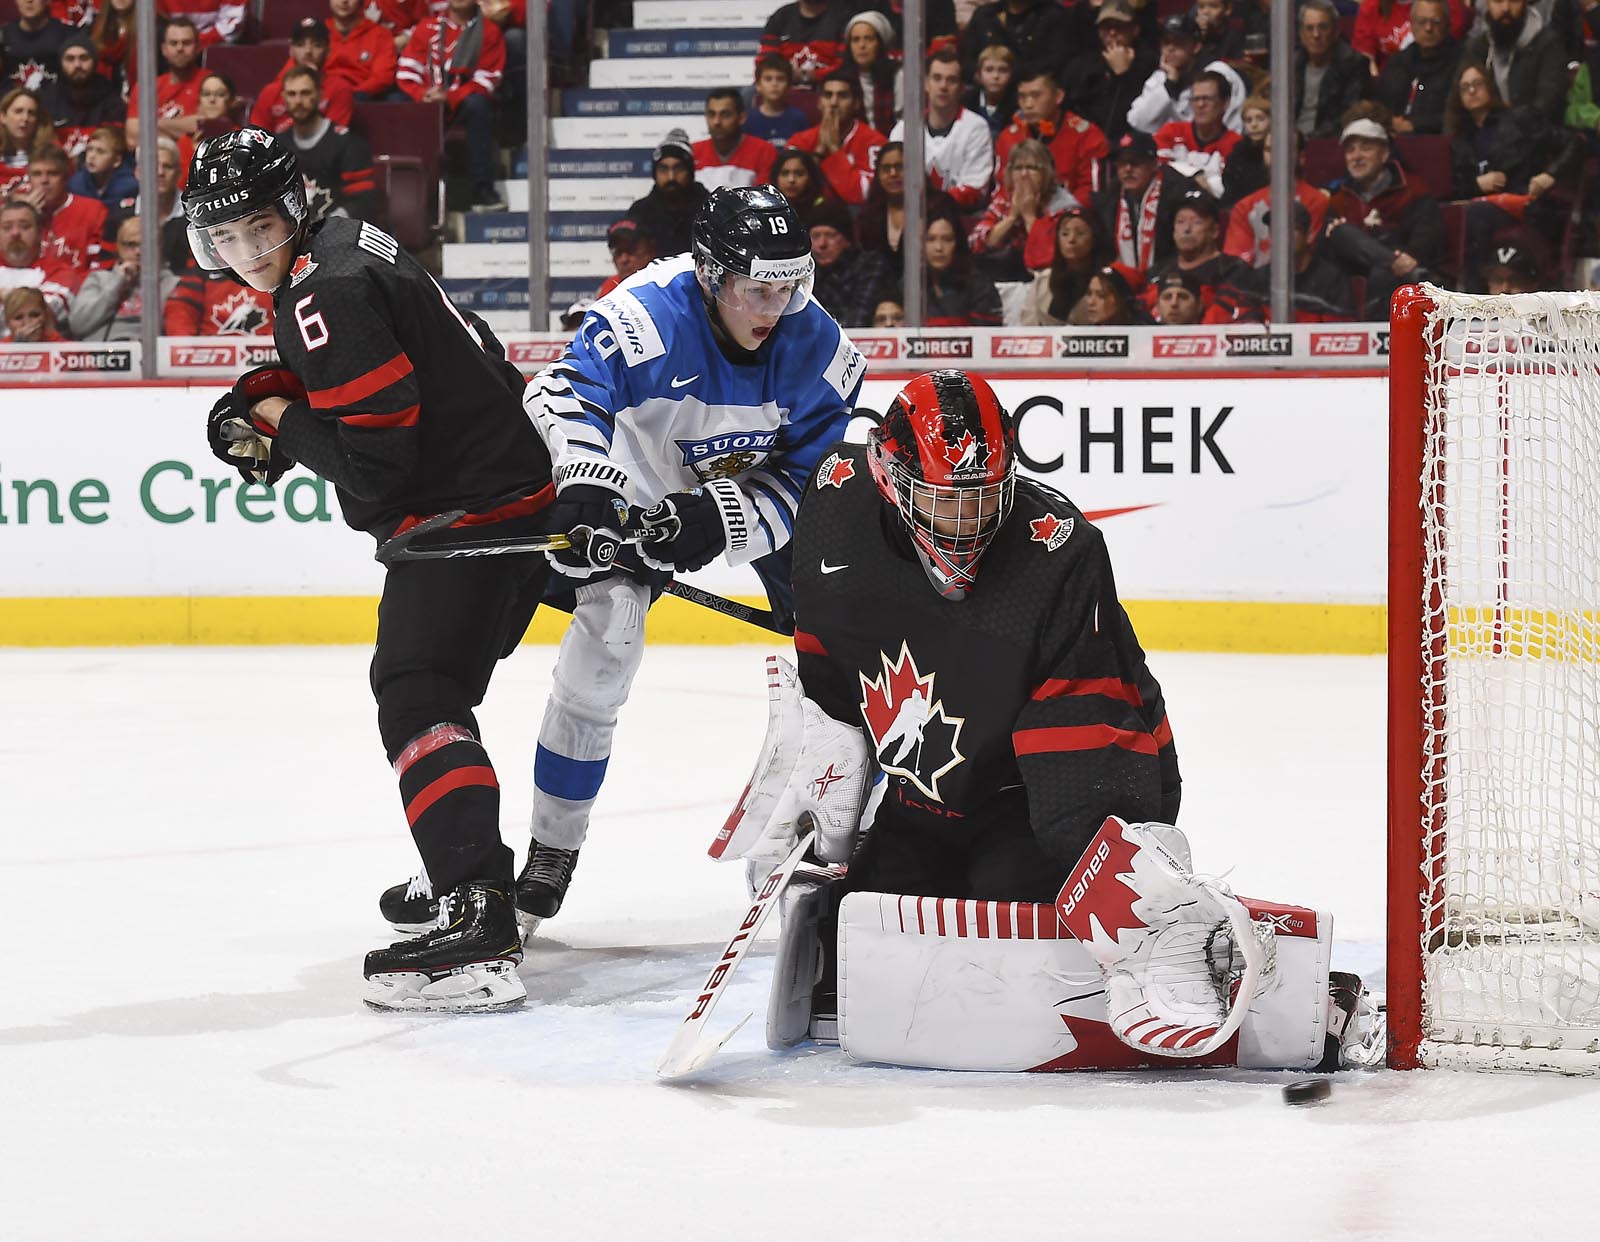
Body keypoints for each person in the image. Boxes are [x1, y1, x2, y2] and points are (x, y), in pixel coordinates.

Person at [713, 370, 1332, 1069]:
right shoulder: (834, 502)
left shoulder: (1056, 553)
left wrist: (1125, 897)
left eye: (983, 499)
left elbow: (1086, 750)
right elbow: (828, 671)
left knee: (1012, 900)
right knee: (869, 917)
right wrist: (814, 774)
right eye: (944, 501)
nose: (967, 523)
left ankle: (1179, 924)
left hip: (1050, 795)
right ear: (888, 478)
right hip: (930, 801)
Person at [184, 126, 557, 1013]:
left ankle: (476, 911)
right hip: (508, 501)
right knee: (432, 694)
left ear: (296, 204)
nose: (245, 255)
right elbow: (469, 354)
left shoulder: (327, 289)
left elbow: (373, 473)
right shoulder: (349, 244)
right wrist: (283, 393)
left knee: (416, 691)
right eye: (225, 238)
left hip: (471, 522)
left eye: (259, 230)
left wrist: (275, 414)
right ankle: (467, 870)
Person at [499, 185, 864, 934]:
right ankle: (551, 850)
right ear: (708, 275)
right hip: (634, 476)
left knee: (848, 631)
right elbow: (561, 394)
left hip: (745, 486)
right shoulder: (644, 318)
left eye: (789, 284)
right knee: (608, 641)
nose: (774, 306)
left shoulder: (819, 348)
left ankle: (842, 823)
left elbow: (813, 479)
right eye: (757, 288)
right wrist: (586, 481)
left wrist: (724, 518)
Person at [1445, 61, 1578, 289]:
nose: (1472, 91)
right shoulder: (1459, 139)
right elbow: (1453, 186)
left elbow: (1575, 143)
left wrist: (1550, 175)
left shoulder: (1520, 120)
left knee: (1475, 214)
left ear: (1490, 87)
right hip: (1481, 205)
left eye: (1477, 84)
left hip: (1524, 203)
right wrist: (1477, 184)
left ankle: (1474, 292)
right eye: (1465, 87)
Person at [1323, 114, 1442, 318]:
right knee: (1340, 232)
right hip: (1356, 272)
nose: (1356, 156)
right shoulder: (1338, 198)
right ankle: (1388, 261)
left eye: (1365, 148)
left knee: (1382, 272)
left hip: (1403, 275)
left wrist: (1393, 256)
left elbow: (1425, 240)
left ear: (1385, 153)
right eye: (1350, 150)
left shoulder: (1413, 190)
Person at [397, 0, 507, 210]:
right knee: (398, 102)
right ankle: (409, 195)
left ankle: (482, 188)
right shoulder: (426, 27)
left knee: (478, 105)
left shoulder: (490, 31)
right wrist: (422, 94)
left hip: (462, 106)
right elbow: (407, 72)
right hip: (427, 101)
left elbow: (487, 79)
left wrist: (450, 97)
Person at [888, 48, 994, 213]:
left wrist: (928, 205)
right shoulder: (904, 129)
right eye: (937, 78)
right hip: (912, 219)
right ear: (926, 84)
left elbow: (974, 191)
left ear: (961, 88)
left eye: (951, 80)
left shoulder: (976, 128)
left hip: (958, 220)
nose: (943, 86)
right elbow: (890, 183)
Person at [995, 64, 1108, 207]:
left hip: (1069, 221)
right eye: (1022, 97)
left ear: (1058, 96)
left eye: (1036, 96)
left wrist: (1049, 222)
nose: (1028, 105)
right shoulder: (1008, 137)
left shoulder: (1088, 137)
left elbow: (1091, 194)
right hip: (1018, 216)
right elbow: (1003, 189)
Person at [1092, 129, 1201, 276]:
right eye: (1122, 163)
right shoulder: (1113, 194)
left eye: (1135, 163)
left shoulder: (1177, 192)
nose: (1128, 169)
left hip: (1173, 276)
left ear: (1154, 164)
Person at [970, 137, 1076, 284]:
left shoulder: (1063, 206)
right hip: (1007, 279)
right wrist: (1011, 218)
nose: (1024, 174)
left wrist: (1029, 217)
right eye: (1018, 168)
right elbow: (975, 243)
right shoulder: (1006, 200)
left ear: (1046, 172)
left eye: (1031, 168)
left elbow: (1052, 256)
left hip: (1050, 281)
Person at [282, 66, 378, 222]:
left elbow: (363, 202)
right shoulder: (278, 145)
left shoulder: (348, 143)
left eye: (306, 93)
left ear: (320, 95)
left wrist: (324, 228)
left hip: (337, 235)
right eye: (292, 94)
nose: (298, 101)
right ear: (283, 97)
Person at [1062, 3, 1156, 150]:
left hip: (1130, 145)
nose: (1112, 33)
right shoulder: (1082, 65)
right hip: (1085, 143)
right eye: (1106, 28)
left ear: (1134, 30)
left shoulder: (1149, 64)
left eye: (1119, 27)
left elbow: (1140, 116)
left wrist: (1123, 75)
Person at [69, 213, 178, 340]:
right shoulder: (99, 280)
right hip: (100, 356)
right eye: (131, 245)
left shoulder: (172, 285)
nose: (138, 252)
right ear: (119, 248)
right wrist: (117, 284)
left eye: (145, 244)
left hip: (150, 356)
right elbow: (77, 325)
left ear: (159, 247)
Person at [788, 69, 887, 205]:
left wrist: (835, 150)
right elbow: (791, 192)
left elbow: (862, 196)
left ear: (856, 103)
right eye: (828, 95)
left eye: (842, 96)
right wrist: (819, 152)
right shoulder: (799, 141)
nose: (834, 103)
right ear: (819, 102)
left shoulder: (875, 143)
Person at [1459, 0, 1567, 122]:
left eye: (1514, 1)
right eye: (1498, 1)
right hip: (1486, 134)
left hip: (1535, 134)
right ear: (1487, 3)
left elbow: (1548, 104)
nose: (1506, 8)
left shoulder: (1548, 44)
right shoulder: (1476, 48)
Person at [251, 18, 356, 135]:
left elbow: (332, 139)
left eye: (317, 45)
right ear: (291, 50)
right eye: (300, 44)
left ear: (328, 51)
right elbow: (257, 139)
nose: (308, 51)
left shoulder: (340, 89)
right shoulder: (270, 92)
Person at [1153, 67, 1240, 199]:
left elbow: (1227, 192)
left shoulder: (1236, 144)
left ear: (1225, 103)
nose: (1200, 104)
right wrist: (1195, 176)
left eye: (1207, 99)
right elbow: (1157, 172)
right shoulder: (1170, 132)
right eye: (1195, 99)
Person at [36, 32, 122, 161]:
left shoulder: (111, 97)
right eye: (70, 59)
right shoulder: (47, 97)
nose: (77, 65)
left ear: (94, 62)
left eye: (84, 58)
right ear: (61, 63)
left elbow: (115, 143)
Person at [21, 142, 106, 272]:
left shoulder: (93, 210)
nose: (44, 180)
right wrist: (26, 218)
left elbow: (98, 268)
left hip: (76, 288)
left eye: (53, 173)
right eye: (37, 174)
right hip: (26, 288)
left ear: (66, 177)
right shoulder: (14, 215)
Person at [1021, 206, 1112, 325]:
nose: (1071, 239)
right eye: (1065, 234)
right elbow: (1028, 326)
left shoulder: (1106, 282)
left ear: (1094, 239)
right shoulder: (1044, 280)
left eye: (1080, 233)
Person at [806, 197, 888, 327]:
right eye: (815, 236)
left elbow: (858, 319)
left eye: (830, 235)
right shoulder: (805, 272)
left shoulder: (869, 265)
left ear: (847, 240)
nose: (822, 244)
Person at [627, 128, 710, 257]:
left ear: (690, 172)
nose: (671, 177)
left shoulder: (709, 209)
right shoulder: (640, 212)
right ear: (655, 174)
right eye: (663, 169)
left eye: (678, 168)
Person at [1294, 0, 1369, 139]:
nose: (1316, 35)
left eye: (1323, 27)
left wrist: (1310, 139)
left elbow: (1349, 116)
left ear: (1336, 31)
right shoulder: (1292, 65)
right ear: (1301, 34)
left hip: (1329, 144)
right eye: (1309, 28)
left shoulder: (1354, 64)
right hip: (1289, 143)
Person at [125, 14, 203, 147]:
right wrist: (182, 130)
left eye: (186, 43)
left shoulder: (210, 82)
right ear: (164, 49)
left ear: (197, 48)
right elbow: (132, 138)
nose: (180, 48)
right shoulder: (146, 87)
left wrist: (150, 125)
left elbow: (202, 127)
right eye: (174, 43)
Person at [0, 198, 82, 320]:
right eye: (7, 227)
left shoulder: (60, 271)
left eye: (25, 226)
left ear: (40, 233)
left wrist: (6, 296)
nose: (15, 233)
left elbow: (44, 312)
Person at [923, 208, 1002, 326]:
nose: (938, 248)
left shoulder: (979, 285)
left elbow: (987, 337)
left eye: (947, 240)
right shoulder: (908, 286)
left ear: (958, 243)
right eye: (930, 239)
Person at [958, 0, 1071, 80]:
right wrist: (982, 75)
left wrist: (1008, 74)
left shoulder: (1055, 17)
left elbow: (1055, 64)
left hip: (1032, 95)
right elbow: (966, 61)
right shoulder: (985, 15)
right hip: (985, 96)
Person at [692, 87, 777, 192]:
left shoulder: (764, 151)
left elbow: (764, 198)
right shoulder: (693, 152)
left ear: (741, 118)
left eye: (725, 115)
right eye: (711, 114)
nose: (716, 122)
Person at [758, 0, 852, 86]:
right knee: (750, 93)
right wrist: (784, 76)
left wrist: (808, 75)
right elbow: (765, 64)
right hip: (784, 87)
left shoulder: (844, 17)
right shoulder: (780, 17)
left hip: (827, 88)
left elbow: (844, 68)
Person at [840, 9, 899, 137]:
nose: (862, 45)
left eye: (868, 39)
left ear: (880, 43)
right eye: (855, 40)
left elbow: (903, 122)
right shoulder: (843, 78)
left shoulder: (897, 75)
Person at [325, 0, 400, 100]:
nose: (344, 1)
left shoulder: (380, 35)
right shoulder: (318, 33)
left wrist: (351, 94)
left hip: (362, 96)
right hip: (322, 96)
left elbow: (383, 76)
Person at [2, 0, 73, 93]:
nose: (29, 1)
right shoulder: (4, 35)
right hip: (12, 102)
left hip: (56, 101)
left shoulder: (66, 34)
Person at [746, 52, 810, 149]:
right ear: (758, 85)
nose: (774, 84)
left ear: (789, 86)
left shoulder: (799, 119)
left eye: (780, 79)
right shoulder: (748, 120)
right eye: (768, 79)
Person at [0, 86, 53, 193]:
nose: (25, 118)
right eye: (18, 111)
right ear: (3, 117)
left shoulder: (51, 155)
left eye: (31, 113)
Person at [595, 216, 657, 298]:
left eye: (631, 250)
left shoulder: (667, 285)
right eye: (618, 252)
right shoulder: (610, 288)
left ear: (650, 251)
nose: (624, 259)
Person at [963, 43, 1016, 136]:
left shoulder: (1016, 104)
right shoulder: (967, 102)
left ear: (1011, 75)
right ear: (979, 75)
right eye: (989, 70)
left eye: (1003, 70)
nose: (995, 76)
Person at [771, 145, 839, 214]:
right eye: (785, 174)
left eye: (799, 174)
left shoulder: (828, 211)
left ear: (811, 177)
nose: (791, 180)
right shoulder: (767, 210)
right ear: (776, 177)